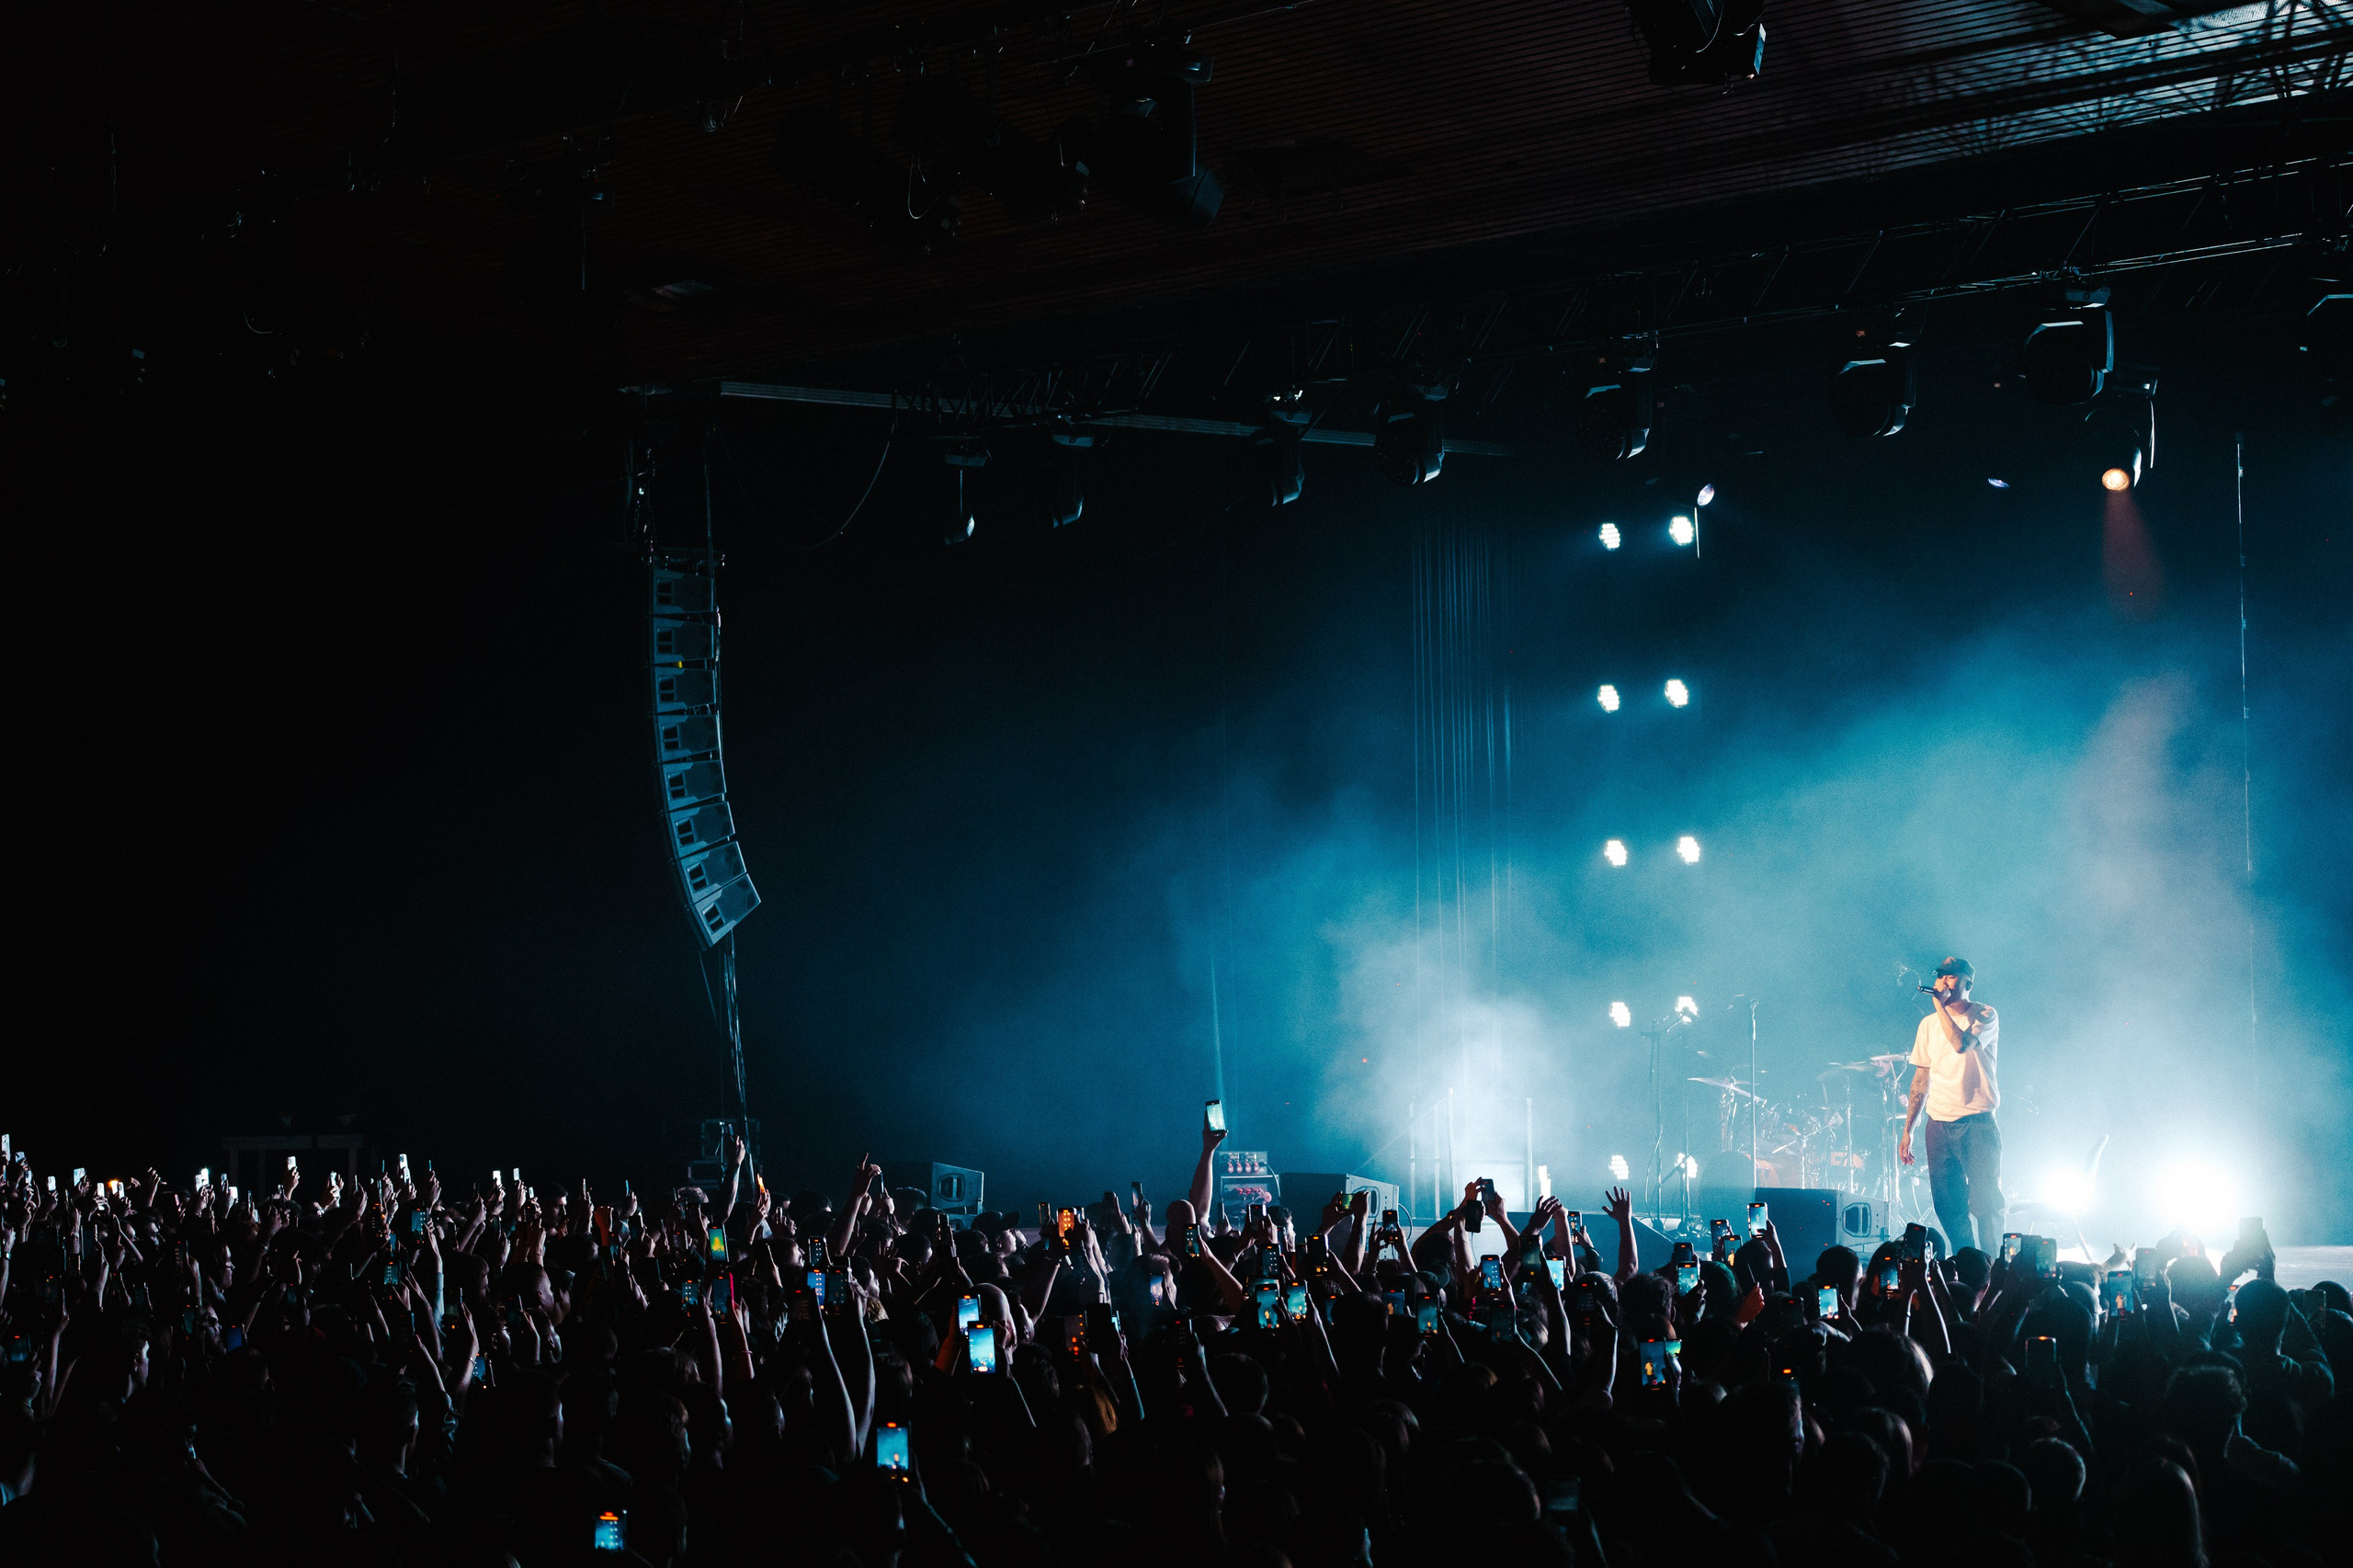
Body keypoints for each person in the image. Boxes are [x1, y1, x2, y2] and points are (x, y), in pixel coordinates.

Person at [1898, 955, 2004, 1255]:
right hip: (1939, 1125)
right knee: (1948, 1205)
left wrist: (1938, 1006)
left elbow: (1961, 1045)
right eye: (1940, 976)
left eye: (1951, 976)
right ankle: (1968, 1264)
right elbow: (1921, 1078)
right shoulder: (1928, 1025)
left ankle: (1994, 1268)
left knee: (1985, 1204)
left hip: (1977, 1122)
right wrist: (1909, 1129)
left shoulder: (1984, 1015)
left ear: (1968, 982)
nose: (1943, 982)